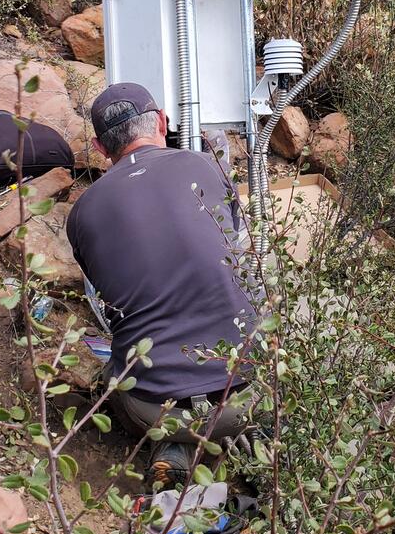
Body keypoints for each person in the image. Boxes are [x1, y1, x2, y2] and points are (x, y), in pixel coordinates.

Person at [67, 82, 257, 484]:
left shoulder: (82, 212)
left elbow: (102, 294)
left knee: (111, 366)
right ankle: (260, 440)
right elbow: (237, 246)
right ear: (161, 122)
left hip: (154, 406)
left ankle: (173, 446)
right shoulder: (204, 166)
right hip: (243, 389)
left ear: (101, 150)